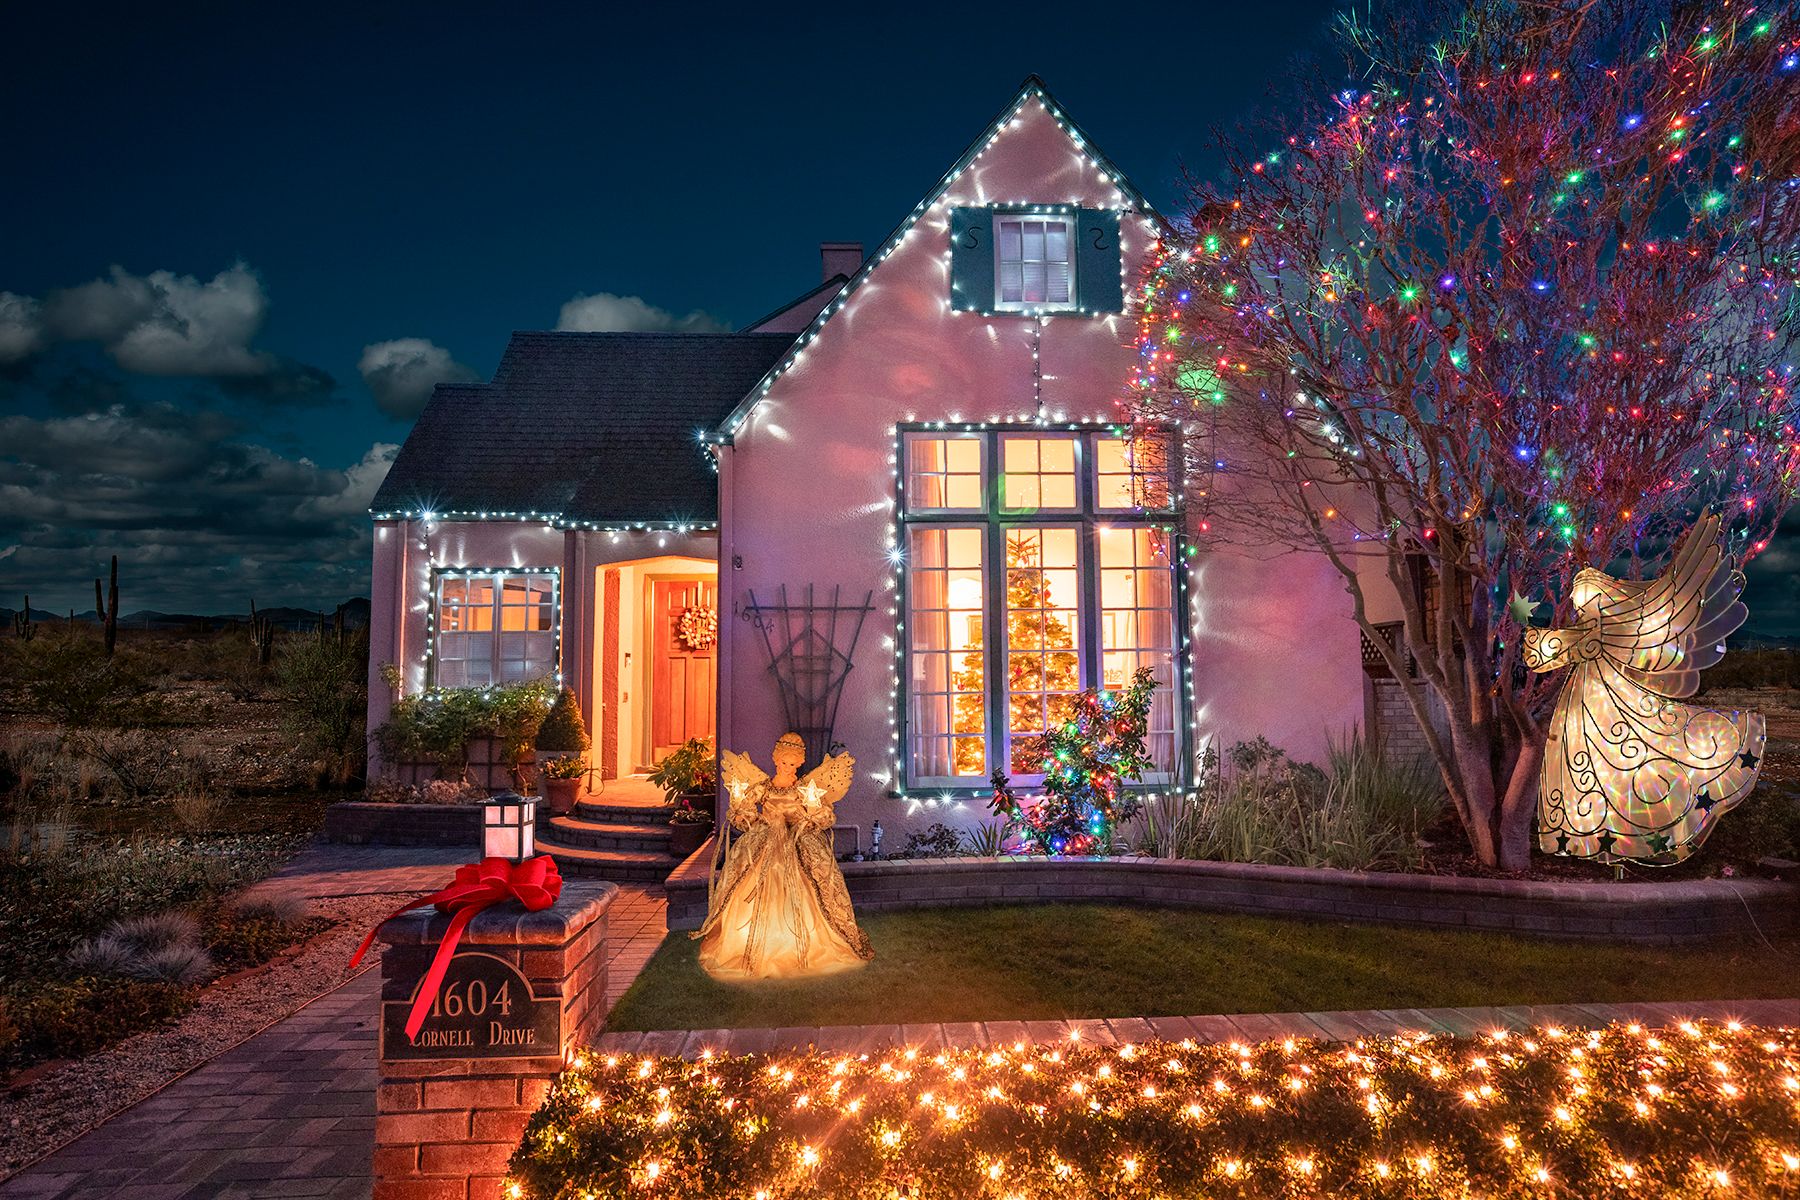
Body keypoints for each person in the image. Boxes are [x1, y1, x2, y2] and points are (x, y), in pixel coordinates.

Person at [692, 733, 874, 979]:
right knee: (750, 884)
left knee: (811, 888)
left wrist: (810, 820)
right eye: (783, 763)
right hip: (764, 845)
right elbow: (743, 810)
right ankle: (751, 943)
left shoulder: (805, 789)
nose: (787, 768)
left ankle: (806, 941)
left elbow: (825, 815)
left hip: (797, 844)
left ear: (799, 764)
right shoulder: (763, 788)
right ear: (776, 759)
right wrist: (744, 814)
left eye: (792, 764)